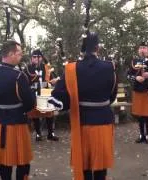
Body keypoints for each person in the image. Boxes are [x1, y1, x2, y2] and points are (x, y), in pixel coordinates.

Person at [49, 32, 117, 180]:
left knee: (84, 164)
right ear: (97, 48)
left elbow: (59, 95)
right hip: (103, 120)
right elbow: (112, 95)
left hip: (82, 121)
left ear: (83, 48)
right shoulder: (109, 67)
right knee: (100, 167)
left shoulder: (72, 68)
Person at [0, 40, 36, 180]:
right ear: (11, 54)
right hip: (18, 123)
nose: (21, 56)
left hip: (1, 123)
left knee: (5, 162)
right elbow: (30, 104)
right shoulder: (19, 76)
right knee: (23, 161)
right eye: (19, 54)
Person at [24, 49, 59, 141]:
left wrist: (53, 82)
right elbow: (24, 83)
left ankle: (50, 133)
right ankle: (38, 134)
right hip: (34, 92)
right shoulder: (27, 69)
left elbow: (51, 80)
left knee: (49, 113)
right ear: (31, 58)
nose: (36, 59)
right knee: (35, 114)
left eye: (38, 57)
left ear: (41, 58)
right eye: (34, 57)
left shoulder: (46, 67)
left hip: (46, 91)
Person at [127, 41, 148, 143]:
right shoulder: (134, 61)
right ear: (138, 50)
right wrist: (136, 78)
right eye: (141, 48)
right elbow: (128, 75)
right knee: (140, 115)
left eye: (144, 48)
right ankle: (141, 135)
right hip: (138, 91)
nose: (142, 49)